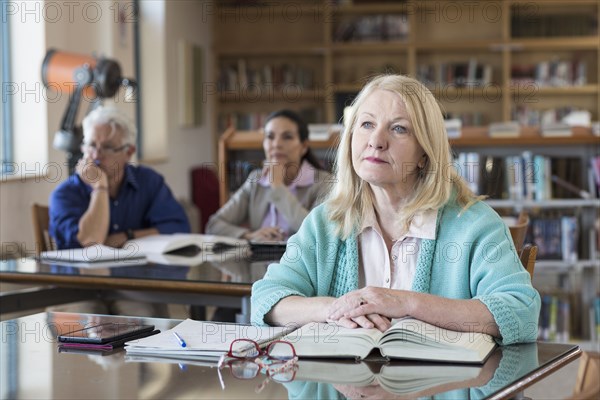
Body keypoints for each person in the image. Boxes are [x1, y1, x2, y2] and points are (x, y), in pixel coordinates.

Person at [252, 75, 540, 345]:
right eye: (366, 124)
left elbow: (521, 312)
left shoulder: (474, 224)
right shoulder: (326, 222)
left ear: (425, 155)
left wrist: (407, 303)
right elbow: (267, 298)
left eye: (399, 128)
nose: (376, 141)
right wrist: (336, 309)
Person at [50, 105, 190, 249]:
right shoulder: (65, 194)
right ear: (82, 149)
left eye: (108, 147)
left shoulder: (148, 181)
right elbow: (91, 242)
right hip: (83, 272)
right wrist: (100, 187)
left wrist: (127, 236)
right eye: (91, 145)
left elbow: (179, 227)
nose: (97, 155)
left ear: (129, 152)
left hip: (138, 271)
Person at [206, 109, 332, 242]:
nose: (276, 144)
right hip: (260, 260)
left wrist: (278, 187)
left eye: (287, 137)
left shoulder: (324, 183)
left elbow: (317, 235)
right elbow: (214, 225)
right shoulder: (256, 180)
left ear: (304, 146)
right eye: (270, 137)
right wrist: (249, 235)